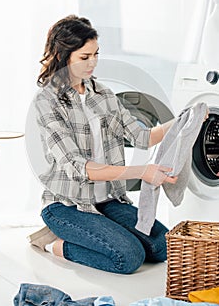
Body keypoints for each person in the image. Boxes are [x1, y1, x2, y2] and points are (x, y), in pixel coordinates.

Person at [27, 14, 179, 274]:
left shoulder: (104, 94)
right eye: (84, 58)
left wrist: (182, 121)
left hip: (107, 200)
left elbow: (141, 137)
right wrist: (142, 172)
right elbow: (79, 167)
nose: (93, 63)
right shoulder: (47, 102)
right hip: (67, 205)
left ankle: (103, 229)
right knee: (129, 258)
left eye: (96, 54)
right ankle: (54, 243)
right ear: (64, 57)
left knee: (164, 247)